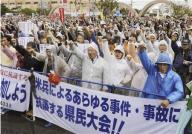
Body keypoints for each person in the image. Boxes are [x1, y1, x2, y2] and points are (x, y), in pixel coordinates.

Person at [138, 43, 184, 107]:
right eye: (160, 64)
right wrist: (142, 50)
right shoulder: (152, 69)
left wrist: (169, 100)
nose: (162, 67)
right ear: (157, 64)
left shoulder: (175, 77)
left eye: (165, 64)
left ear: (169, 65)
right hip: (147, 102)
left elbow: (179, 91)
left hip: (164, 105)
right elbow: (145, 60)